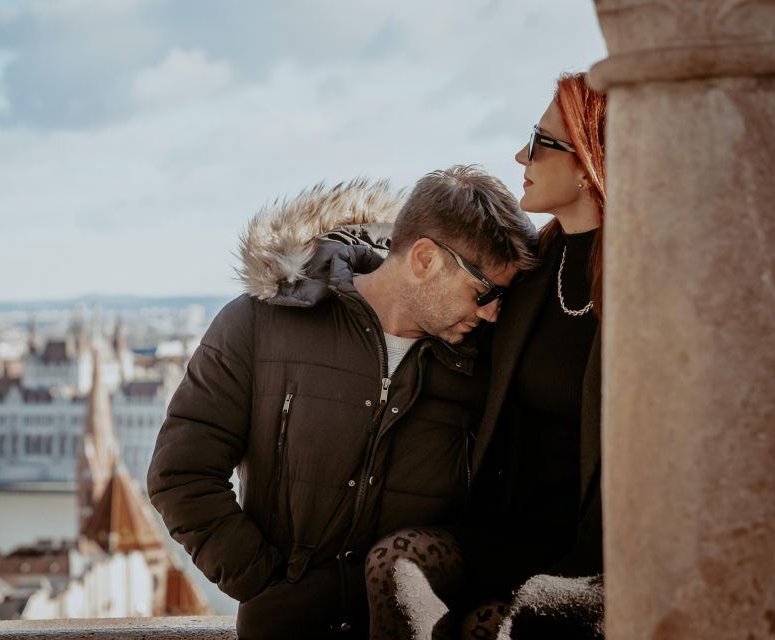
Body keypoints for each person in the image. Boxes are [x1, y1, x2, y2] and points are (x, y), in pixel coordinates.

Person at [147, 165, 538, 639]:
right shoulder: (258, 323)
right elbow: (182, 475)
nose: (493, 311)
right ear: (424, 259)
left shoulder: (489, 364)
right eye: (485, 291)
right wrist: (270, 584)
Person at [365, 72, 607, 640]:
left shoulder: (653, 290)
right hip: (504, 537)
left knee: (493, 626)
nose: (521, 153)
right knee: (395, 564)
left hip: (598, 557)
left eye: (544, 141)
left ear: (590, 161)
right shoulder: (529, 273)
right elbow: (428, 279)